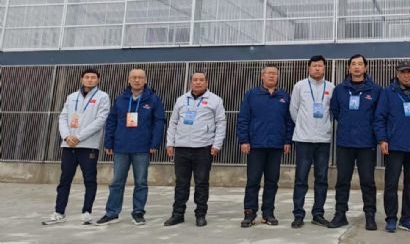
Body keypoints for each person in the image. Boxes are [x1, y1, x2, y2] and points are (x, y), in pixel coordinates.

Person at [96, 68, 166, 226]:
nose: (137, 80)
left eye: (140, 77)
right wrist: (109, 142)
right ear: (128, 80)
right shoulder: (121, 99)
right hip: (121, 146)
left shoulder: (153, 99)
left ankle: (138, 212)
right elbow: (112, 121)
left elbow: (159, 122)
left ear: (145, 80)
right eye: (134, 77)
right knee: (117, 182)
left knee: (141, 182)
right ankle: (112, 212)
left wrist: (155, 143)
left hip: (142, 147)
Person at [42, 68, 110, 225]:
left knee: (90, 180)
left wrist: (79, 137)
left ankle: (87, 212)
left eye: (93, 77)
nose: (90, 79)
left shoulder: (102, 97)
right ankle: (59, 212)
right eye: (87, 77)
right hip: (68, 145)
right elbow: (63, 117)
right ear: (81, 79)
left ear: (98, 80)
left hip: (88, 145)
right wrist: (67, 136)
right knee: (64, 180)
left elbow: (101, 120)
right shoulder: (72, 96)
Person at [164, 71, 227, 227]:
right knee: (181, 183)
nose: (198, 82)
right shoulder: (181, 100)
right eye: (195, 80)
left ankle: (200, 214)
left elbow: (221, 123)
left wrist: (217, 144)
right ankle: (178, 214)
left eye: (201, 80)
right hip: (181, 148)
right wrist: (170, 143)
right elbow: (173, 123)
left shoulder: (215, 100)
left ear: (206, 82)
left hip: (203, 148)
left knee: (201, 183)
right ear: (190, 82)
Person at [328, 54, 383, 231]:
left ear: (365, 67)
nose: (357, 67)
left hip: (366, 143)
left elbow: (379, 114)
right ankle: (340, 214)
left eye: (360, 64)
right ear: (349, 68)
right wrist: (347, 123)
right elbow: (335, 110)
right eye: (353, 64)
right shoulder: (340, 89)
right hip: (345, 142)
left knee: (367, 181)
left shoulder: (375, 90)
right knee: (342, 181)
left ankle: (370, 216)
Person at [237, 64, 294, 228]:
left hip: (276, 145)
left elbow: (289, 120)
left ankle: (268, 213)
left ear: (278, 76)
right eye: (268, 73)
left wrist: (287, 141)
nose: (271, 76)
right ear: (262, 76)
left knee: (272, 181)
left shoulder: (284, 96)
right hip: (256, 145)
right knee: (253, 180)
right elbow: (243, 118)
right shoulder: (252, 94)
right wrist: (244, 140)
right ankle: (249, 213)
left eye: (274, 73)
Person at [374, 60, 410, 233]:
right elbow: (379, 118)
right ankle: (391, 218)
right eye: (403, 72)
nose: (406, 75)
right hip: (394, 146)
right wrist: (382, 139)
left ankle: (407, 219)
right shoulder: (388, 92)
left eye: (409, 72)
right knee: (391, 184)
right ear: (397, 74)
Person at [289, 55, 335, 228]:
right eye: (314, 65)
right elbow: (293, 109)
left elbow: (332, 111)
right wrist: (304, 125)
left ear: (324, 68)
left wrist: (324, 126)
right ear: (309, 68)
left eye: (320, 66)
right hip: (303, 139)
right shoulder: (300, 86)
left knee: (321, 178)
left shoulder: (331, 87)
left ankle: (318, 214)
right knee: (301, 178)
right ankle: (298, 214)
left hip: (323, 139)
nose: (317, 68)